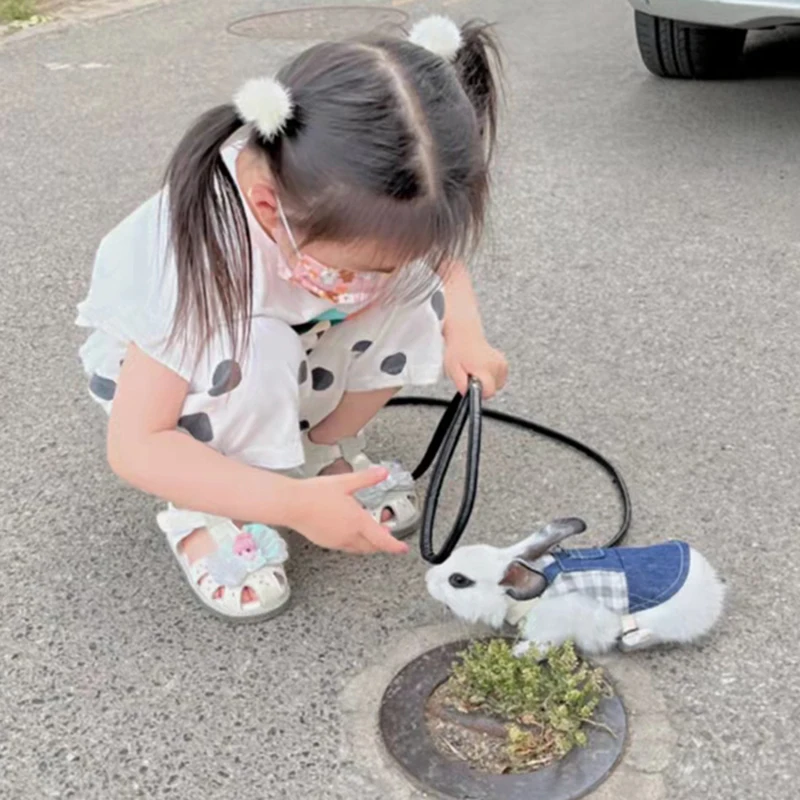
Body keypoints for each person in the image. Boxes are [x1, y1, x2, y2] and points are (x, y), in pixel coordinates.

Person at [76, 15, 508, 621]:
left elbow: (437, 264)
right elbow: (137, 444)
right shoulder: (194, 255)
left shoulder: (342, 200)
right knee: (257, 349)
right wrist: (291, 507)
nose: (381, 277)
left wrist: (465, 333)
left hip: (295, 334)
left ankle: (313, 455)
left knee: (412, 296)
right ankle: (215, 509)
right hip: (182, 387)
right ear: (264, 207)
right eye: (364, 265)